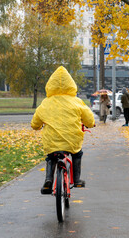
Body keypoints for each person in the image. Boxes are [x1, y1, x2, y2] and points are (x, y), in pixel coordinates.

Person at [31, 66, 95, 194]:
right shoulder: (77, 102)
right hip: (72, 140)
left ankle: (48, 181)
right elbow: (89, 119)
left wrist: (38, 126)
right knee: (77, 154)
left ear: (51, 85)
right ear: (71, 85)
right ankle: (76, 180)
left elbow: (35, 123)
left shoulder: (45, 103)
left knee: (51, 157)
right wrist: (90, 124)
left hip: (52, 141)